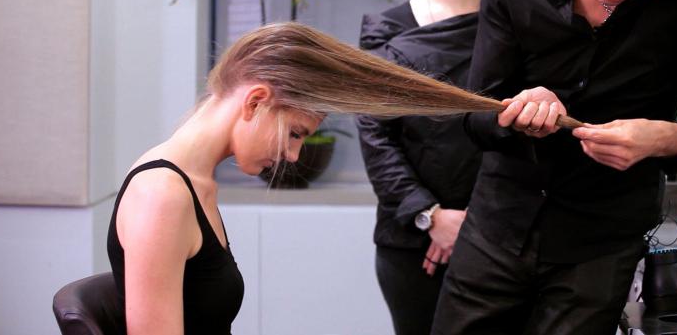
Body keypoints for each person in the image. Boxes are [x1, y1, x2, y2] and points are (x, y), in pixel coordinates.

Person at [106, 21, 517, 335]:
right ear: (256, 102)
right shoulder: (162, 194)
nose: (294, 154)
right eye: (297, 133)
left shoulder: (196, 185)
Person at [430, 0, 677, 333]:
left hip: (603, 241)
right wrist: (514, 113)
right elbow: (474, 114)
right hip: (497, 228)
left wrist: (668, 138)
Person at [356, 0, 488, 334]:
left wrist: (471, 221)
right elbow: (375, 134)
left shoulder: (506, 25)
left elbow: (515, 130)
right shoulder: (386, 31)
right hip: (410, 240)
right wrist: (430, 216)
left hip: (492, 234)